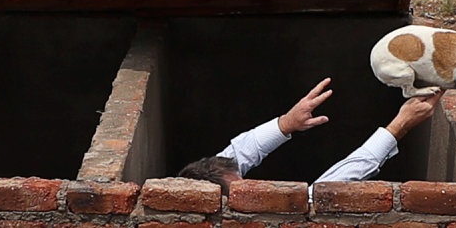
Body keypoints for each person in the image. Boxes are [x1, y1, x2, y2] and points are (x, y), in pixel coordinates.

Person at [177, 78, 436, 187]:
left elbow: (240, 151)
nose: (249, 189)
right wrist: (399, 126)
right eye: (239, 190)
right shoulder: (257, 227)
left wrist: (286, 123)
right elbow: (330, 186)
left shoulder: (204, 184)